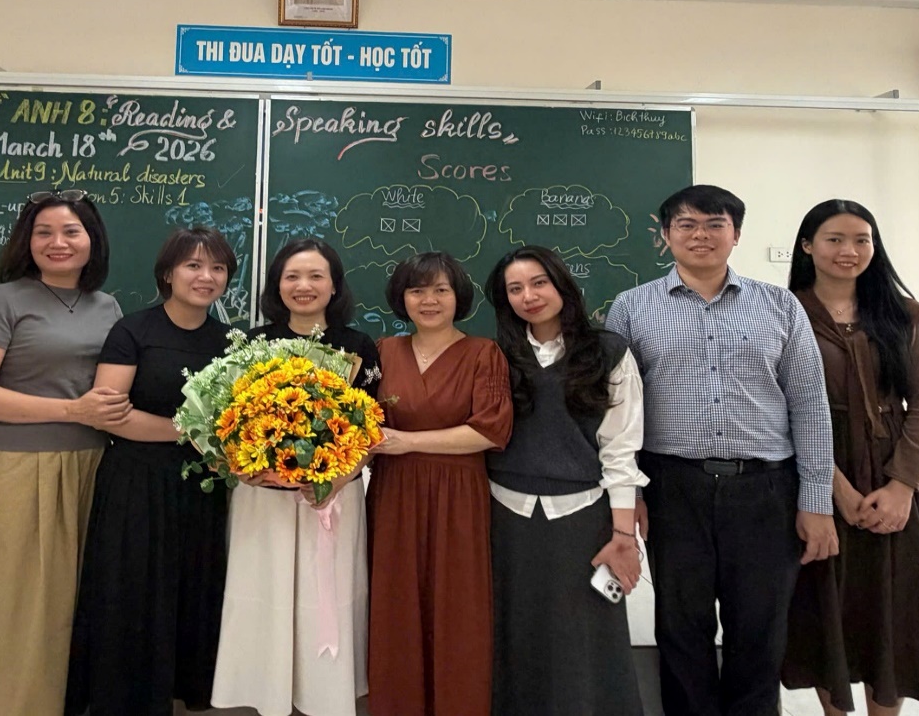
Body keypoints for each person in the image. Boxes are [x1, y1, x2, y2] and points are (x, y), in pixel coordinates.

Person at [604, 184, 837, 716]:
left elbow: (809, 404)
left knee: (759, 629)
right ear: (666, 236)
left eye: (715, 224)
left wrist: (816, 500)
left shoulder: (779, 305)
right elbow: (617, 412)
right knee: (680, 627)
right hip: (671, 486)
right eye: (686, 225)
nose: (701, 235)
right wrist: (629, 494)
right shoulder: (631, 308)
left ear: (736, 234)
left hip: (765, 488)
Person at [781, 200, 919, 716]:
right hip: (816, 472)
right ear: (807, 246)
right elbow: (779, 409)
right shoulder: (783, 313)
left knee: (895, 610)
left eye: (861, 239)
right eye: (834, 239)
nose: (849, 250)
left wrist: (902, 486)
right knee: (827, 606)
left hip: (895, 472)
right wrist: (833, 488)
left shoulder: (897, 314)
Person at [0, 190, 129, 716]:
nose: (58, 242)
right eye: (43, 232)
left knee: (70, 609)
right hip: (20, 469)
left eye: (71, 231)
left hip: (93, 468)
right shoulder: (3, 300)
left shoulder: (107, 306)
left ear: (92, 240)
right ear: (26, 242)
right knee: (14, 609)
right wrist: (73, 410)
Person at [65, 227, 238, 716]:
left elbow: (237, 423)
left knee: (193, 588)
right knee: (133, 591)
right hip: (135, 482)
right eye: (193, 265)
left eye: (218, 268)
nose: (206, 277)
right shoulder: (133, 331)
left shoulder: (231, 342)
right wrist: (194, 433)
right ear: (167, 273)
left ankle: (183, 691)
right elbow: (110, 415)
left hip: (202, 488)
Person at [212, 237, 382, 716]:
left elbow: (372, 429)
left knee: (325, 595)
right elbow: (227, 422)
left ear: (334, 286)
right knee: (262, 588)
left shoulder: (359, 347)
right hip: (262, 497)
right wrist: (249, 466)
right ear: (276, 286)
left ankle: (323, 694)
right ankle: (262, 691)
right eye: (292, 276)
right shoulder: (252, 343)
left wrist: (336, 478)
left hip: (332, 496)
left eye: (315, 276)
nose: (303, 286)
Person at [484, 246, 646, 716]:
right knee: (514, 630)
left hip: (581, 517)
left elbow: (620, 448)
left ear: (561, 285)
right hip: (505, 516)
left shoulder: (608, 351)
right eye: (515, 289)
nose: (529, 296)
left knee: (584, 636)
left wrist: (622, 535)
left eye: (539, 283)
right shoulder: (495, 355)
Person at [366, 251, 513, 716]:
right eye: (417, 290)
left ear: (458, 297)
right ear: (402, 298)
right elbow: (356, 425)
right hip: (393, 493)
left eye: (440, 290)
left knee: (458, 608)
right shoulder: (381, 352)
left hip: (459, 496)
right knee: (394, 604)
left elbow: (490, 431)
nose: (428, 300)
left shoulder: (484, 353)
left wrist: (408, 441)